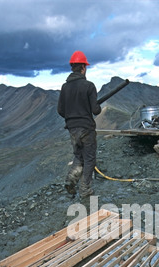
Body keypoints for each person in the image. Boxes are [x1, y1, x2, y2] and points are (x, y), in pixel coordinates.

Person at [57, 51, 101, 198]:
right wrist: (95, 108)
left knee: (78, 155)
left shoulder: (65, 87)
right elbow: (95, 110)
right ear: (83, 67)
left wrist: (72, 118)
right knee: (89, 158)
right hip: (86, 128)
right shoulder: (89, 86)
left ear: (72, 68)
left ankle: (71, 180)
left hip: (72, 128)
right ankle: (85, 189)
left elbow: (61, 110)